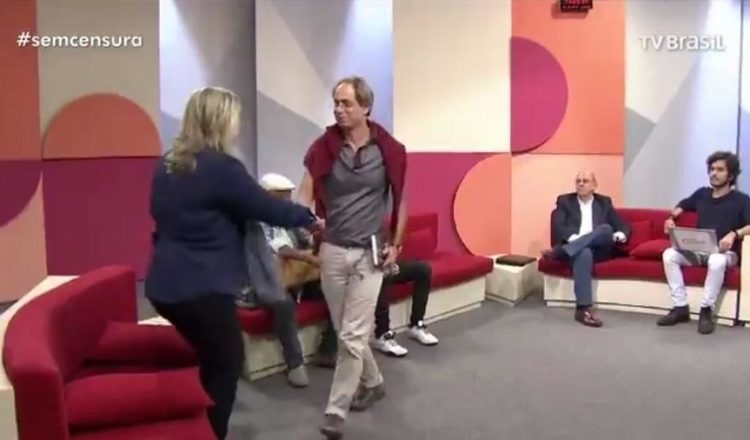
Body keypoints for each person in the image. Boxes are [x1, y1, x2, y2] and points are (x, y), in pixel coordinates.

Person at [145, 87, 318, 440]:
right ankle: (209, 434)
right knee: (226, 363)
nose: (238, 127)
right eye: (235, 119)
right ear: (221, 121)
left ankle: (190, 422)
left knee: (210, 358)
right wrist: (308, 218)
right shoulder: (223, 168)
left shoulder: (167, 165)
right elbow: (267, 208)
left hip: (163, 287)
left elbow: (159, 214)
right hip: (203, 289)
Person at [298, 76, 408, 439]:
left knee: (352, 334)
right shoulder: (324, 146)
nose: (339, 109)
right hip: (332, 249)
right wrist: (308, 224)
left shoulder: (389, 149)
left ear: (366, 107)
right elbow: (305, 192)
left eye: (346, 103)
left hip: (369, 254)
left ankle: (336, 411)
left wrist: (397, 243)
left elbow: (401, 199)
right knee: (347, 330)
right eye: (336, 103)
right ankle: (374, 382)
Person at [659, 151, 750, 334]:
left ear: (730, 175)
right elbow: (682, 205)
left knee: (716, 260)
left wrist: (734, 234)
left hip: (726, 253)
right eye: (712, 169)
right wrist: (671, 218)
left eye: (720, 170)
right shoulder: (702, 194)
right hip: (699, 250)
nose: (714, 173)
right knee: (669, 255)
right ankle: (680, 307)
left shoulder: (741, 200)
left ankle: (706, 310)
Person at [545, 171, 631, 328]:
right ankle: (582, 310)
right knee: (584, 253)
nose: (581, 184)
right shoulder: (565, 201)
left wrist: (620, 234)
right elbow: (559, 227)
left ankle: (566, 251)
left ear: (594, 185)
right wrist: (575, 241)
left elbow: (622, 225)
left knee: (605, 229)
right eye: (578, 181)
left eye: (585, 181)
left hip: (599, 249)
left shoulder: (604, 202)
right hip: (579, 249)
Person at [315, 259, 438, 362]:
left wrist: (391, 254)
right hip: (358, 272)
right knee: (378, 277)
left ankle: (417, 325)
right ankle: (382, 334)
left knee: (423, 270)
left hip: (378, 264)